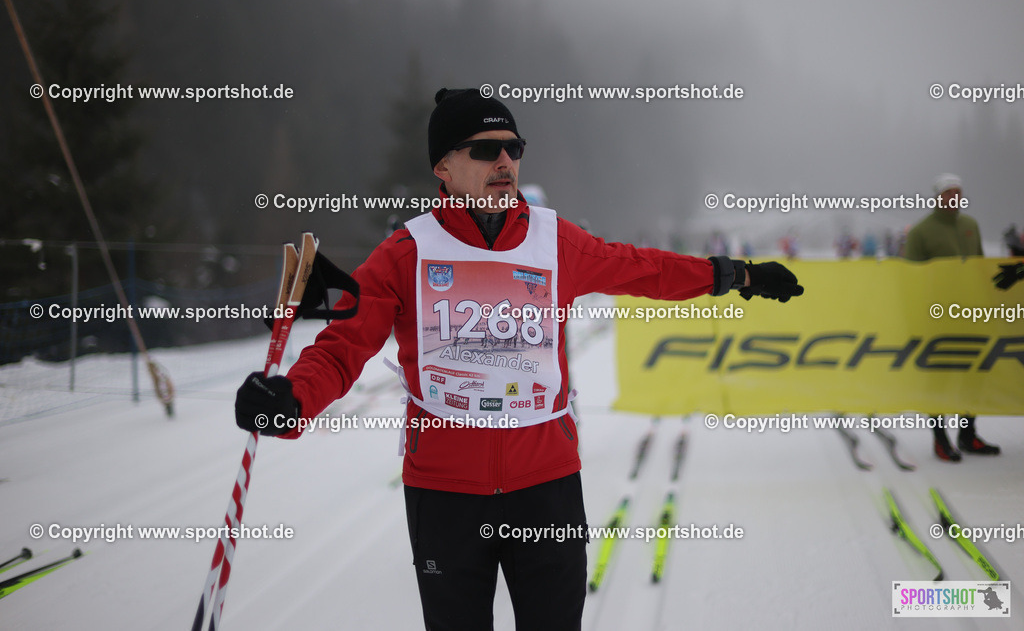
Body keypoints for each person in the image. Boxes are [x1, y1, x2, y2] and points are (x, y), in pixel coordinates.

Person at [233, 87, 804, 630]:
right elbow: (341, 348)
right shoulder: (404, 253)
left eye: (514, 148)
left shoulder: (555, 241)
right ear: (444, 168)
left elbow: (644, 269)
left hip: (546, 485)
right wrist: (291, 400)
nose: (504, 161)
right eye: (485, 150)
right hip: (445, 495)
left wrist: (736, 274)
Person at [904, 173, 1000, 461]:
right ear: (937, 197)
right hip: (937, 317)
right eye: (948, 193)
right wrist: (914, 318)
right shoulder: (921, 232)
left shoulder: (970, 226)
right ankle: (940, 438)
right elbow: (911, 278)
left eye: (957, 192)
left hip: (970, 314)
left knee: (974, 375)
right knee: (940, 380)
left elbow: (980, 266)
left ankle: (968, 434)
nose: (954, 198)